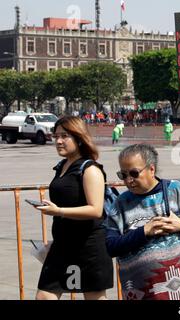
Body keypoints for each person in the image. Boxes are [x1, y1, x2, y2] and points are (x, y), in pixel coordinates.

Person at [104, 144, 180, 300]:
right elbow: (111, 246)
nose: (128, 180)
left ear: (151, 169)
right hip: (141, 293)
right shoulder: (120, 204)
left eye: (134, 173)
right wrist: (144, 232)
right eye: (123, 175)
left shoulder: (176, 190)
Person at [32, 116, 113, 300]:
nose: (59, 141)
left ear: (79, 137)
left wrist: (58, 211)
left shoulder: (90, 169)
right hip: (63, 245)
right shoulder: (62, 166)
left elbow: (95, 210)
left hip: (89, 247)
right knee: (44, 296)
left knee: (94, 297)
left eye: (65, 136)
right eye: (56, 136)